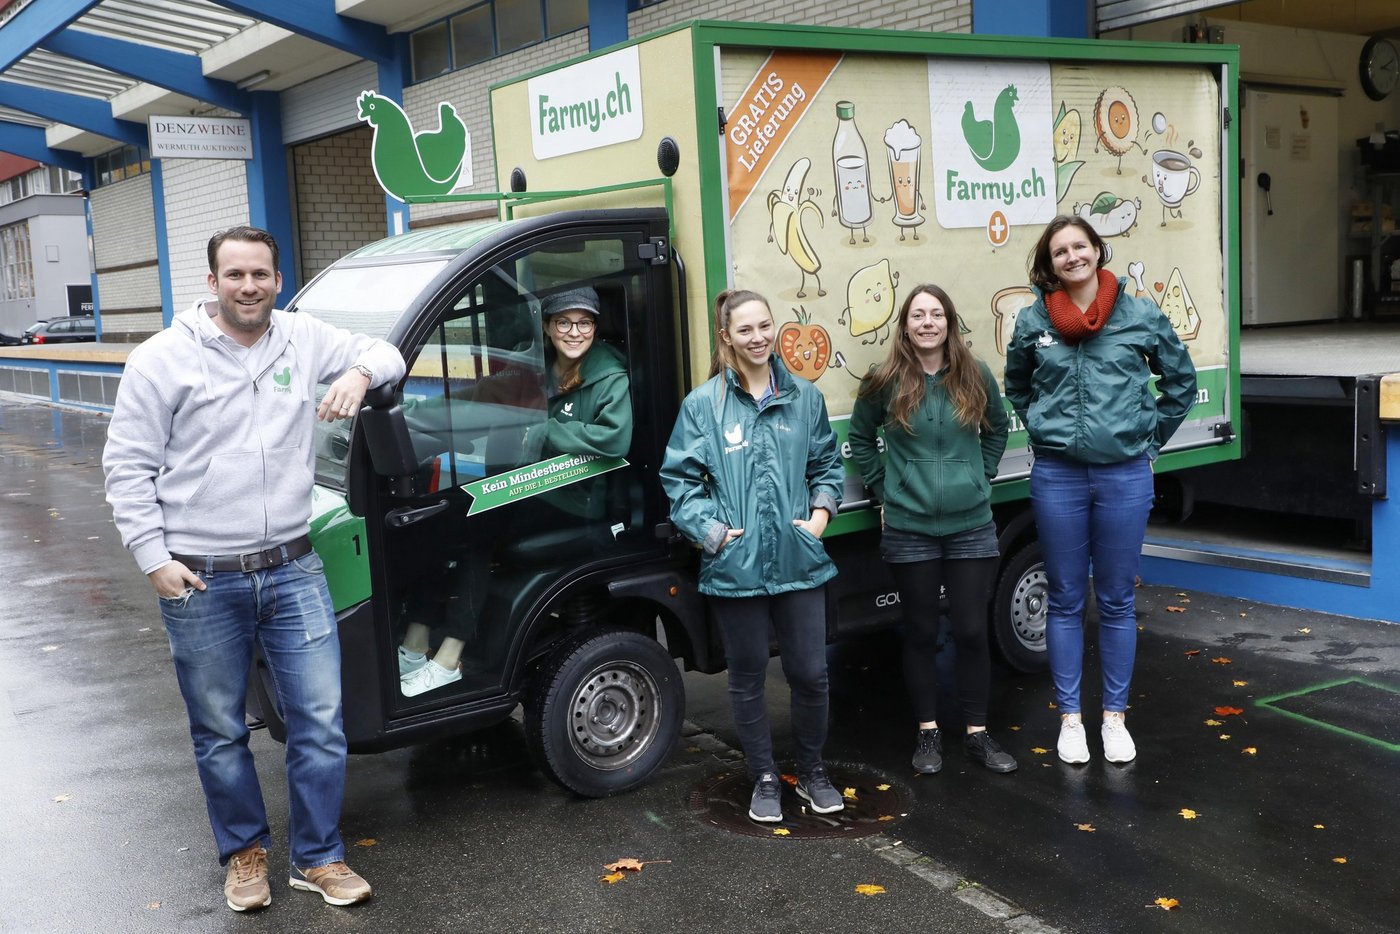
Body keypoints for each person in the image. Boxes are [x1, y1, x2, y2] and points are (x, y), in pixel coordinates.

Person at [102, 226, 405, 912]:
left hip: (294, 566)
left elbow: (387, 351)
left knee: (320, 720)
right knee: (219, 729)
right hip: (203, 578)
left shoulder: (302, 338)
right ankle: (244, 853)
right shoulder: (162, 360)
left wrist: (358, 372)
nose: (248, 286)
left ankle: (319, 857)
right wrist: (154, 560)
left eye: (261, 274)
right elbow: (127, 469)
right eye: (234, 274)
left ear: (276, 278)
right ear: (212, 282)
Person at [1003, 215, 1196, 766]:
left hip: (1124, 475)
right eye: (1060, 250)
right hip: (1058, 475)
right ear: (1051, 262)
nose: (1071, 257)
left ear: (1097, 250)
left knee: (1115, 599)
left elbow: (1180, 383)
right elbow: (1018, 384)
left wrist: (1147, 439)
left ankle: (1113, 719)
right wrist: (1043, 424)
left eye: (1079, 246)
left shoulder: (1138, 314)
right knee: (1065, 600)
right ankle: (1070, 720)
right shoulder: (1033, 321)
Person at [661, 288, 845, 823]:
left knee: (811, 674)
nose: (759, 337)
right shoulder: (703, 406)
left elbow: (827, 466)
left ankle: (811, 770)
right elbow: (679, 482)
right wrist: (713, 534)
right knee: (745, 676)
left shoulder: (805, 397)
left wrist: (818, 519)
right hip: (735, 565)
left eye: (765, 326)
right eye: (745, 329)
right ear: (726, 338)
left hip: (799, 560)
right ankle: (763, 776)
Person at [398, 286, 632, 696]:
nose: (574, 332)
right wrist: (407, 415)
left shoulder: (609, 374)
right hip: (529, 485)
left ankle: (450, 655)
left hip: (576, 498)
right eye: (563, 322)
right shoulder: (532, 370)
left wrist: (546, 427)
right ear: (546, 327)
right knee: (437, 513)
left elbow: (614, 439)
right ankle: (416, 642)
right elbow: (475, 401)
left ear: (595, 327)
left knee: (477, 527)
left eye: (584, 323)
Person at [848, 284, 1015, 775]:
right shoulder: (883, 380)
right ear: (904, 325)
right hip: (909, 527)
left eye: (936, 314)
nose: (927, 323)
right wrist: (885, 488)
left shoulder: (974, 373)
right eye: (917, 315)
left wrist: (979, 476)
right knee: (921, 631)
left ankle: (978, 733)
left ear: (949, 322)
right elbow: (860, 437)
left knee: (969, 630)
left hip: (970, 526)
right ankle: (927, 734)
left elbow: (998, 428)